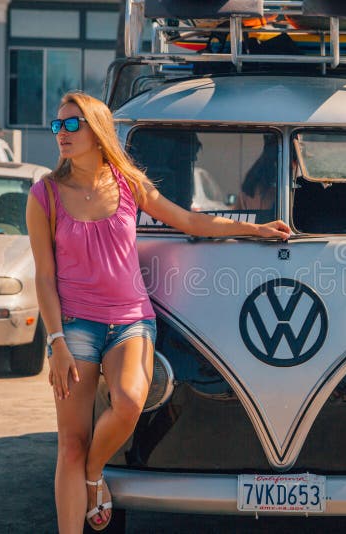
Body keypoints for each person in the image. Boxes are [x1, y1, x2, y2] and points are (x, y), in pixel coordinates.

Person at [26, 91, 290, 533]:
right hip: (74, 327)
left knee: (129, 402)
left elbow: (188, 221)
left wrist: (254, 229)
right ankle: (79, 491)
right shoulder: (45, 195)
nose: (62, 135)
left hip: (131, 320)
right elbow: (44, 277)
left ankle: (94, 475)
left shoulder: (128, 184)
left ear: (97, 130)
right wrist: (55, 343)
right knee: (69, 446)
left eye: (73, 125)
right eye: (58, 126)